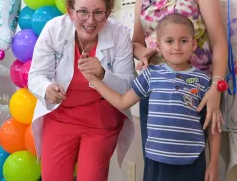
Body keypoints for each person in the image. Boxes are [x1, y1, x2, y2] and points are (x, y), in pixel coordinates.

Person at [87, 14, 220, 181]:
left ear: (193, 44)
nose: (177, 47)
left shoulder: (204, 81)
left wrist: (214, 162)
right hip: (156, 161)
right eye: (169, 41)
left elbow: (213, 124)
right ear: (159, 46)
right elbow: (122, 102)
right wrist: (95, 81)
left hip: (192, 162)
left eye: (183, 41)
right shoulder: (151, 75)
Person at [27, 0, 135, 181]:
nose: (90, 21)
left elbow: (127, 86)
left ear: (107, 14)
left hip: (101, 120)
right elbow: (36, 75)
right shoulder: (54, 29)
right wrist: (47, 88)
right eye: (83, 12)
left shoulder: (118, 33)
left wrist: (103, 74)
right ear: (70, 12)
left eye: (98, 13)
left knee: (91, 177)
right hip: (60, 117)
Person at [131, 0, 228, 148]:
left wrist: (216, 86)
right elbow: (136, 42)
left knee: (191, 157)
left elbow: (219, 41)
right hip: (155, 90)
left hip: (193, 89)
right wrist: (143, 52)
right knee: (154, 157)